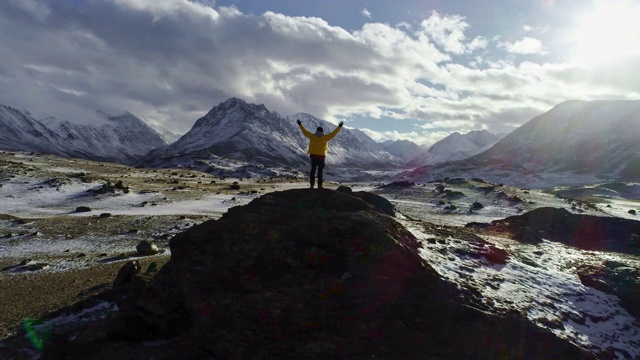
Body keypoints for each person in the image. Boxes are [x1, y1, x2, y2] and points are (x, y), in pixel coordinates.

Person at [296, 119, 344, 189]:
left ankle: (312, 185)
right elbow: (333, 134)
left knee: (313, 171)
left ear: (316, 131)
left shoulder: (312, 136)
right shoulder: (325, 137)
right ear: (322, 131)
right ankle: (319, 186)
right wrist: (339, 127)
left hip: (313, 156)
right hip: (321, 157)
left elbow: (305, 132)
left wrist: (300, 125)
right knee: (320, 172)